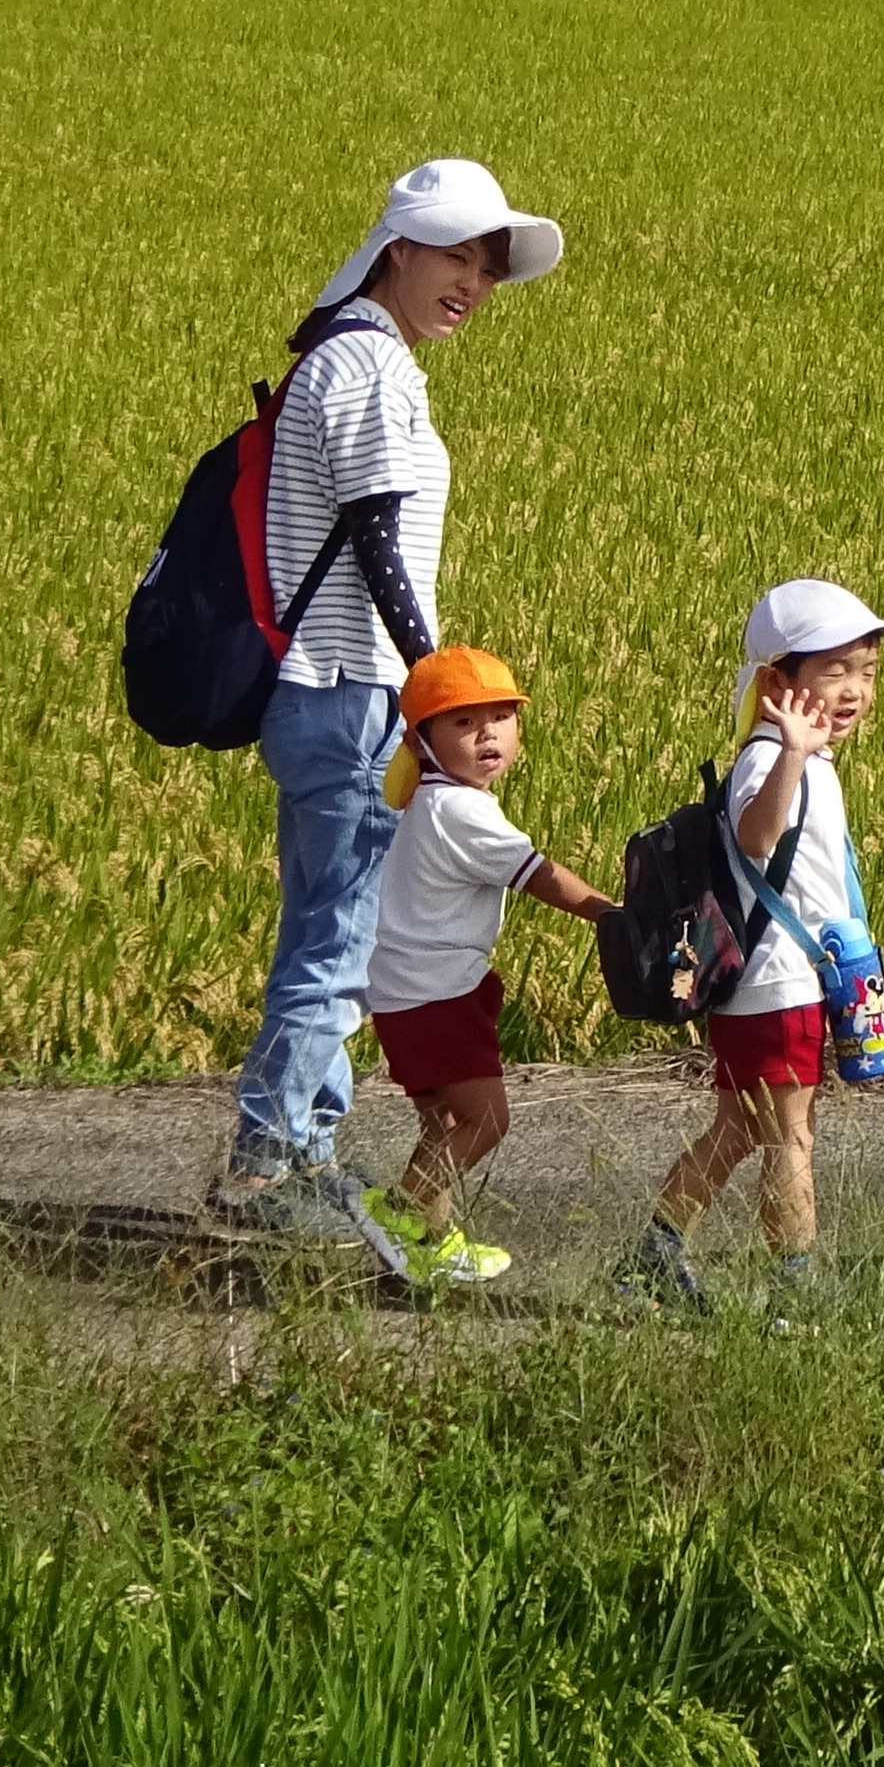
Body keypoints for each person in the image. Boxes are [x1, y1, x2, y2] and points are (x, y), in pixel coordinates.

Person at [216, 154, 567, 1244]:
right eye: (457, 256)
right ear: (398, 249)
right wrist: (432, 685)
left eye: (488, 269)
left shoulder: (341, 354)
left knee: (334, 931)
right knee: (338, 941)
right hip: (351, 690)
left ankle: (306, 1149)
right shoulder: (371, 366)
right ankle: (266, 1169)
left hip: (327, 693)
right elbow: (376, 534)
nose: (474, 284)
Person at [632, 577, 884, 1310]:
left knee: (740, 1129)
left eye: (866, 672)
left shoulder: (803, 758)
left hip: (774, 984)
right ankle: (792, 1297)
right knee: (790, 1140)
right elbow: (756, 835)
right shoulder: (772, 757)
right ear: (776, 683)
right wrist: (793, 756)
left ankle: (653, 1253)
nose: (854, 690)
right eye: (834, 670)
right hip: (780, 984)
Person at [351, 646, 610, 1290]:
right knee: (486, 1120)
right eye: (464, 722)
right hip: (434, 995)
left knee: (443, 1123)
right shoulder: (459, 811)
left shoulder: (434, 801)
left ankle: (428, 1245)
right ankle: (398, 1211)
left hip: (406, 993)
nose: (487, 733)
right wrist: (613, 916)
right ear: (423, 742)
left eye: (500, 716)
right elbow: (538, 875)